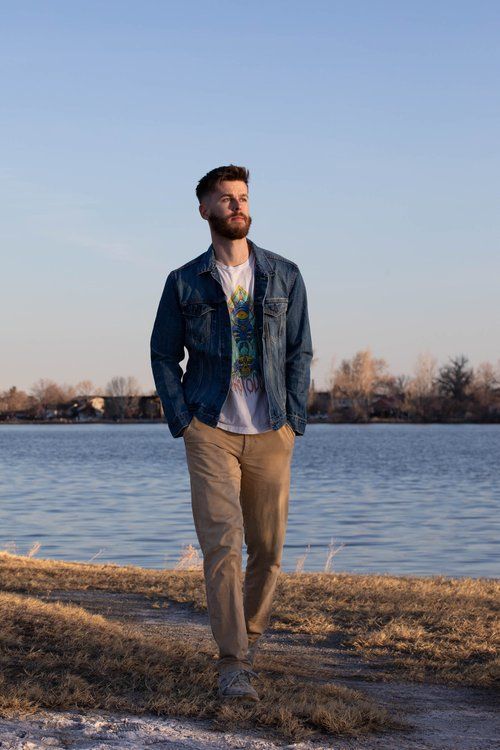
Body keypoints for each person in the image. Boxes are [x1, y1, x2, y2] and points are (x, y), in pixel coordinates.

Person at [150, 164, 313, 702]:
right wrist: (184, 421)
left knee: (267, 549)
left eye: (243, 197)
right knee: (223, 544)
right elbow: (162, 354)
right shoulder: (183, 281)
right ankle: (233, 662)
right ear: (205, 210)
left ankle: (250, 638)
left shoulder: (284, 275)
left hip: (271, 430)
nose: (237, 205)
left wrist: (292, 420)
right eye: (225, 199)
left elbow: (299, 351)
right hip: (211, 427)